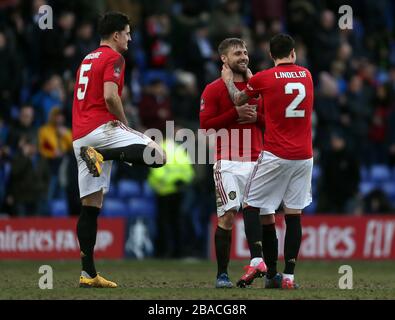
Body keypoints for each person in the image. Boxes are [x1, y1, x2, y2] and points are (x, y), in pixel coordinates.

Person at [72, 12, 166, 288]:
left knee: (90, 206)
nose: (130, 37)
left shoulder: (86, 59)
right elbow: (110, 96)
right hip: (103, 130)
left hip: (81, 136)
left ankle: (88, 274)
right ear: (116, 35)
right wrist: (125, 126)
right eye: (127, 32)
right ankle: (104, 154)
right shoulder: (115, 58)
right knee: (158, 155)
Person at [221, 34, 314, 289]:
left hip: (276, 154)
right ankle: (289, 276)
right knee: (294, 214)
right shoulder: (307, 75)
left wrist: (230, 82)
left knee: (250, 204)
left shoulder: (263, 77)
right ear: (293, 53)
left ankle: (257, 259)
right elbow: (279, 94)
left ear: (271, 55)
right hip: (305, 157)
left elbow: (241, 99)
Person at [200, 38, 265, 288]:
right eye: (237, 53)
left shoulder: (258, 88)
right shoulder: (213, 89)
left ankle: (267, 271)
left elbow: (271, 122)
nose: (244, 56)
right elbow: (205, 126)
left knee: (264, 216)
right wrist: (233, 114)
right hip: (227, 161)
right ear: (224, 59)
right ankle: (222, 274)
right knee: (227, 217)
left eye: (246, 51)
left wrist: (256, 116)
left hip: (258, 160)